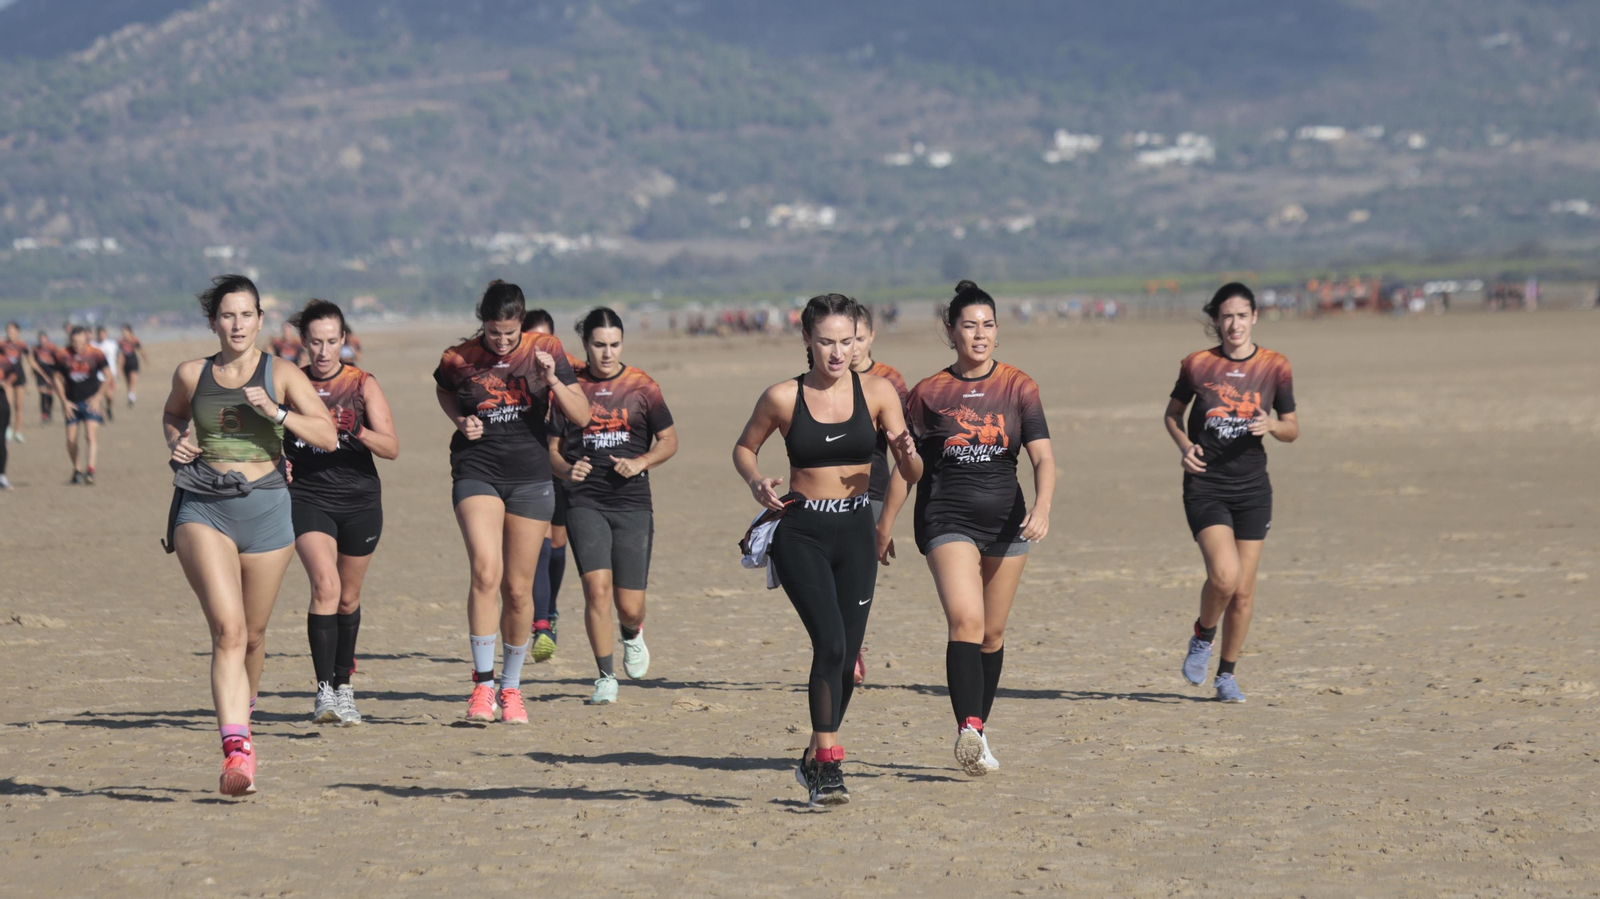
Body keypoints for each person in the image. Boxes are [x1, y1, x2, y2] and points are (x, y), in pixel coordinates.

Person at [732, 293, 921, 808]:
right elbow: (744, 448)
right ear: (807, 341)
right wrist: (755, 482)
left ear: (859, 340)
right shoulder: (782, 397)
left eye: (847, 341)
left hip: (856, 533)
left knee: (846, 664)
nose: (838, 353)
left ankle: (813, 756)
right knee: (831, 645)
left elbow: (912, 473)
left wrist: (907, 453)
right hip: (802, 532)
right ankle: (829, 768)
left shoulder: (880, 392)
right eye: (826, 342)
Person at [161, 274, 338, 796]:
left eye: (246, 315)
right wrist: (177, 442)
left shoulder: (280, 373)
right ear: (213, 322)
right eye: (227, 315)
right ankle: (235, 749)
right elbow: (173, 414)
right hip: (203, 506)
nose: (237, 324)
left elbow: (326, 433)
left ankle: (245, 714)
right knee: (229, 631)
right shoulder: (192, 373)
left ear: (260, 320)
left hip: (267, 512)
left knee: (254, 636)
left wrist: (276, 412)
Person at [878, 280, 1055, 778]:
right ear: (951, 331)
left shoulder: (1020, 387)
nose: (979, 334)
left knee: (992, 634)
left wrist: (1042, 507)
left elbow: (1042, 457)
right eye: (969, 325)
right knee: (967, 622)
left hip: (1006, 520)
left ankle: (980, 732)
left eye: (988, 325)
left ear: (997, 333)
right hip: (945, 518)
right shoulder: (929, 394)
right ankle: (967, 728)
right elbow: (906, 469)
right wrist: (885, 525)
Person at [435, 281, 588, 725]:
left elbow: (582, 417)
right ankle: (482, 685)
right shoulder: (458, 357)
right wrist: (461, 419)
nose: (502, 342)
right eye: (494, 332)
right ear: (482, 321)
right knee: (486, 570)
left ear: (521, 321)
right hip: (476, 470)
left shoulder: (546, 349)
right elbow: (446, 390)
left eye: (509, 333)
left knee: (519, 592)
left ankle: (512, 688)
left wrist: (552, 380)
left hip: (530, 476)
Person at [1163, 283, 1298, 704]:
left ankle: (1226, 675)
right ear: (1216, 321)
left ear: (1255, 316)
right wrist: (1186, 447)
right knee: (1224, 576)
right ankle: (1203, 635)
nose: (1234, 324)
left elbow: (1292, 428)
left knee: (1244, 591)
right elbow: (1172, 415)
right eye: (1226, 316)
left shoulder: (1275, 366)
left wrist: (1272, 426)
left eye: (1242, 315)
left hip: (1253, 488)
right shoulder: (1198, 364)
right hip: (1206, 484)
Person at [549, 307, 677, 705]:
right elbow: (550, 451)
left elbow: (669, 441)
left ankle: (632, 633)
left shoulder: (643, 386)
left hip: (633, 502)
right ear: (585, 345)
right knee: (596, 589)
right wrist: (568, 470)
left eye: (614, 345)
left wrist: (640, 462)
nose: (607, 353)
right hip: (585, 500)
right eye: (599, 345)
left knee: (630, 605)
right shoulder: (569, 390)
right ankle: (605, 675)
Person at [285, 299, 400, 726]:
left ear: (344, 340)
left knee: (348, 597)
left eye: (332, 341)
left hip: (360, 501)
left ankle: (344, 687)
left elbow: (391, 448)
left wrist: (357, 429)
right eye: (315, 342)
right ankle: (323, 695)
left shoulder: (361, 383)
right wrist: (281, 460)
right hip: (309, 498)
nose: (323, 351)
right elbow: (270, 433)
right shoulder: (289, 383)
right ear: (304, 342)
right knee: (325, 586)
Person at [848, 305, 909, 687]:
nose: (849, 348)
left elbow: (905, 444)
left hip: (873, 488)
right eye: (841, 339)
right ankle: (842, 643)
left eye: (857, 338)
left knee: (859, 575)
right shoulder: (822, 377)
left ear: (871, 337)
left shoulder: (888, 380)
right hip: (821, 490)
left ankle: (851, 646)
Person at [522, 308, 581, 659]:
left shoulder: (570, 366)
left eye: (547, 340)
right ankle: (541, 622)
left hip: (565, 458)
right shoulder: (515, 370)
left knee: (558, 544)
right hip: (530, 462)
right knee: (542, 542)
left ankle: (550, 609)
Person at [51, 327, 113, 485]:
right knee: (71, 441)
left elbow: (108, 376)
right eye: (74, 342)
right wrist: (63, 401)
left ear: (86, 340)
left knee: (90, 436)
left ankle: (90, 470)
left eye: (80, 342)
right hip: (71, 403)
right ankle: (77, 469)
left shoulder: (95, 353)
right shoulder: (62, 354)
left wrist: (98, 397)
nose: (77, 345)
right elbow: (56, 378)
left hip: (90, 402)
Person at [2, 322, 30, 443]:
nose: (10, 333)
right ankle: (8, 428)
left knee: (19, 406)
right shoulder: (2, 344)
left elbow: (31, 360)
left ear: (17, 332)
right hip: (6, 378)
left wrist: (41, 373)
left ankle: (18, 432)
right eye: (8, 330)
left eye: (12, 331)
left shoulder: (22, 345)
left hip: (19, 377)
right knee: (7, 405)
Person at [31, 330, 60, 424]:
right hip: (40, 372)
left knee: (50, 394)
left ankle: (49, 411)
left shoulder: (53, 348)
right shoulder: (36, 349)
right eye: (41, 341)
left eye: (45, 341)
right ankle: (44, 414)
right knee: (42, 393)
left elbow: (58, 360)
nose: (43, 343)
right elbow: (34, 362)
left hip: (51, 372)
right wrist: (33, 372)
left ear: (48, 340)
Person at [92, 326, 120, 422]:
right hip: (96, 375)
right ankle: (99, 415)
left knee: (109, 396)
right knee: (98, 396)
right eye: (100, 334)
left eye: (103, 333)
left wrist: (118, 369)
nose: (102, 336)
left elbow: (120, 355)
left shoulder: (112, 344)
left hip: (109, 375)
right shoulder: (93, 345)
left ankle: (108, 408)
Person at [118, 324, 146, 409]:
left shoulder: (134, 340)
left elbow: (140, 350)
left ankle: (132, 397)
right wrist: (119, 368)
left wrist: (145, 359)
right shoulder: (120, 341)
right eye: (123, 331)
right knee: (128, 382)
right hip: (125, 362)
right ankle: (130, 395)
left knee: (133, 379)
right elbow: (120, 355)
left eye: (125, 331)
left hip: (133, 361)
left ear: (129, 332)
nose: (124, 333)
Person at [0, 348, 15, 488]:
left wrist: (6, 382)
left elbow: (14, 374)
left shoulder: (4, 360)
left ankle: (1, 475)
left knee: (1, 441)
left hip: (1, 403)